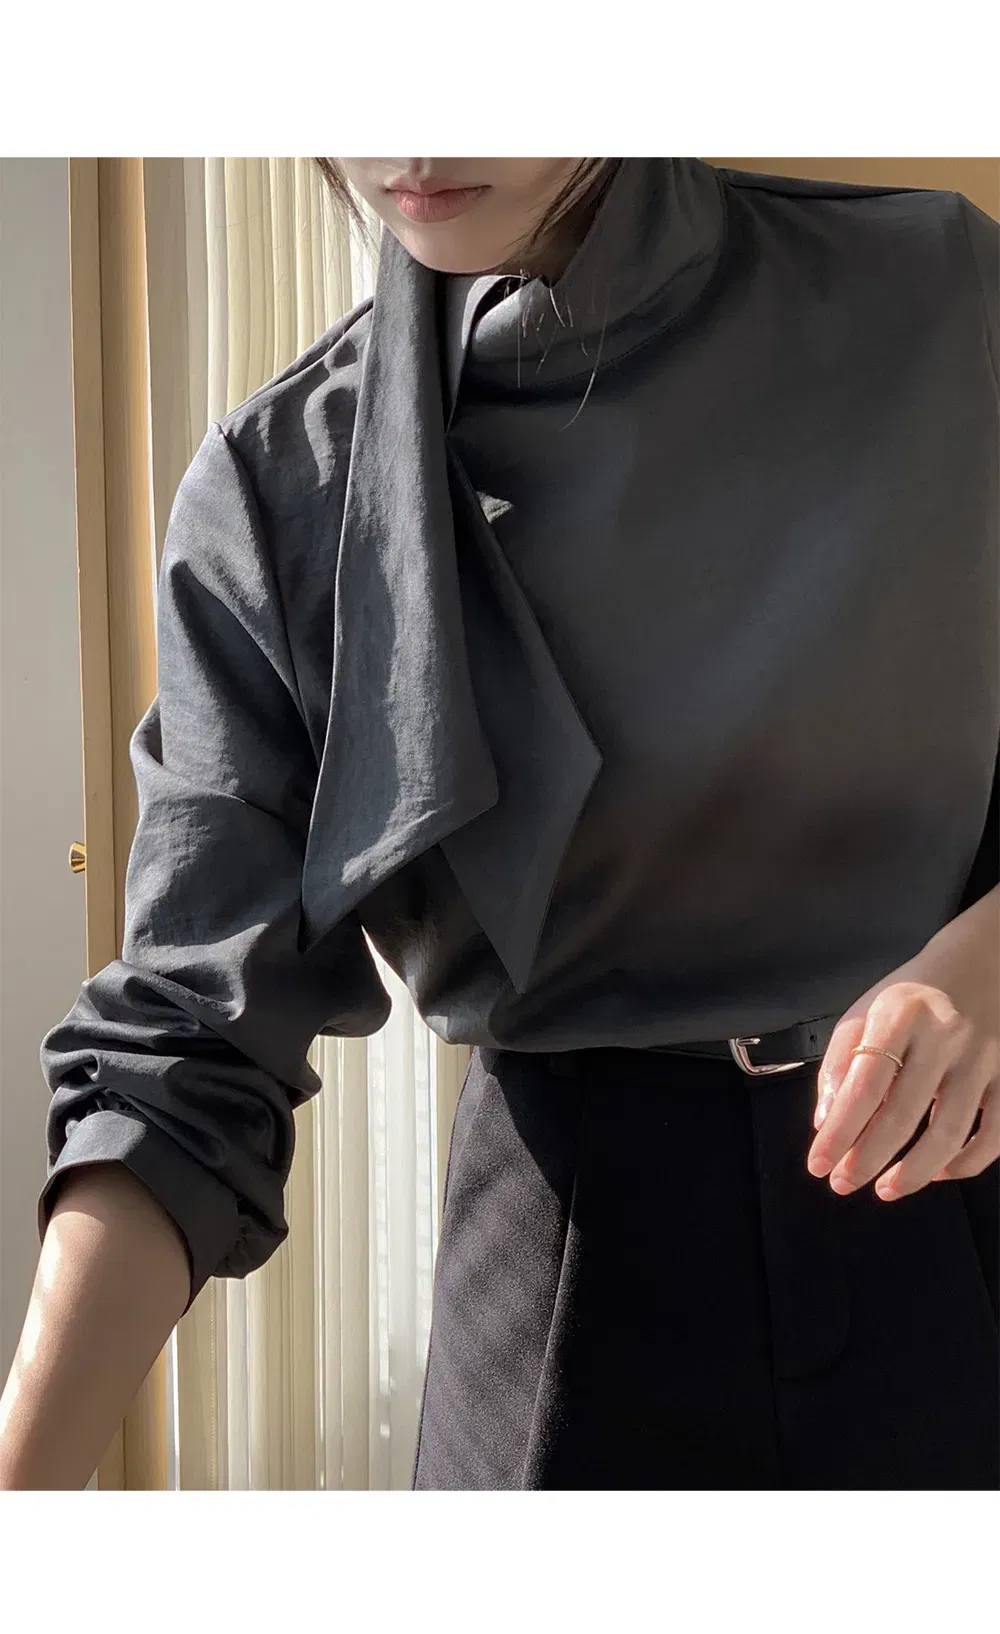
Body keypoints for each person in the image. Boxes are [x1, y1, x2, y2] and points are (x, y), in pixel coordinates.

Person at [1, 156, 997, 1491]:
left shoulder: (940, 295)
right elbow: (188, 1044)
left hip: (955, 1200)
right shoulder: (277, 486)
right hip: (558, 1289)